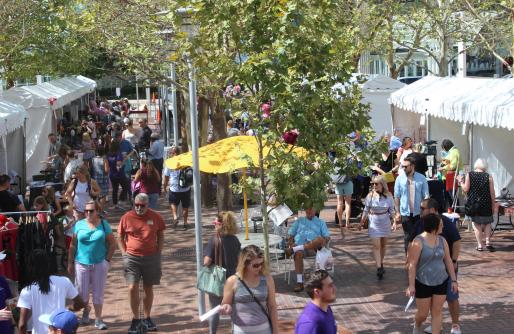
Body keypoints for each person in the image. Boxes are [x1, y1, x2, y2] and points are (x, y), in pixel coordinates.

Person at [409, 198, 462, 334]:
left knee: (437, 312)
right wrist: (411, 285)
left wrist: (454, 280)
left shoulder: (442, 240)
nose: (443, 226)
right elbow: (412, 264)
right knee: (423, 313)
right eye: (441, 225)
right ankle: (417, 323)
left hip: (441, 280)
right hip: (423, 281)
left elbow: (449, 260)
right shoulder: (418, 241)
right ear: (435, 227)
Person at [117, 193, 165, 333]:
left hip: (151, 257)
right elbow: (119, 236)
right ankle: (136, 319)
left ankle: (147, 318)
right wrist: (124, 253)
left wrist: (159, 251)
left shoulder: (155, 216)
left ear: (147, 205)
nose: (138, 208)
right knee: (132, 287)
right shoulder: (126, 217)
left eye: (142, 205)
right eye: (136, 205)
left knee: (148, 288)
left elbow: (161, 233)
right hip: (131, 258)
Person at [67, 201, 115, 330]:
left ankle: (98, 319)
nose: (88, 213)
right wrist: (70, 262)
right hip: (81, 263)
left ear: (97, 211)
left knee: (98, 293)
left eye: (91, 211)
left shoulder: (104, 225)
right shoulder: (79, 224)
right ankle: (86, 311)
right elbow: (73, 245)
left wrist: (107, 261)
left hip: (99, 263)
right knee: (82, 294)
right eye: (86, 210)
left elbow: (112, 244)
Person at [17, 249, 85, 334]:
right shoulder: (64, 281)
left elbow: (22, 325)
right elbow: (80, 304)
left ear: (30, 267)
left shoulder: (27, 290)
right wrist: (68, 309)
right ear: (48, 264)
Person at [220, 245, 278, 334]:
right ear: (245, 264)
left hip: (264, 330)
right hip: (240, 331)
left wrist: (275, 331)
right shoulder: (232, 281)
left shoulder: (267, 279)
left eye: (261, 264)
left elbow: (272, 306)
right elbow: (226, 304)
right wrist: (226, 307)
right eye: (255, 265)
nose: (259, 267)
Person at [203, 211, 241, 334]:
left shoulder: (214, 240)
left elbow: (207, 261)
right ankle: (236, 331)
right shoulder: (235, 240)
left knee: (215, 309)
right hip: (233, 280)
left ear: (221, 225)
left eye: (215, 223)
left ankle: (212, 332)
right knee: (233, 309)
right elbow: (239, 258)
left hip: (217, 280)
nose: (214, 226)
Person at [285, 207, 330, 292]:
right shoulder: (299, 221)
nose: (308, 211)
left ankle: (293, 250)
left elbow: (327, 236)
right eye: (307, 209)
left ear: (315, 210)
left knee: (320, 239)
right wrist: (291, 243)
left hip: (314, 249)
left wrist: (325, 241)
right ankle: (300, 283)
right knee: (298, 254)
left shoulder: (321, 222)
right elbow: (290, 235)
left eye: (311, 209)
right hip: (300, 247)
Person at [359, 175, 395, 279]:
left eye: (376, 184)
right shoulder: (370, 196)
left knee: (383, 245)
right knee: (376, 246)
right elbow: (366, 210)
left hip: (385, 222)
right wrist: (362, 222)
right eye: (373, 184)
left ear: (382, 185)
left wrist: (394, 222)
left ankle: (381, 262)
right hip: (374, 222)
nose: (374, 185)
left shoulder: (389, 196)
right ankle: (379, 267)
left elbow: (391, 210)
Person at [458, 158, 496, 251]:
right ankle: (488, 242)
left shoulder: (469, 175)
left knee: (476, 223)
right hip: (486, 203)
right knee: (487, 223)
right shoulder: (489, 176)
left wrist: (460, 181)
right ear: (485, 166)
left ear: (476, 165)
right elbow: (492, 193)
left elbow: (465, 189)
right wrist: (493, 204)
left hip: (474, 204)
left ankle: (480, 245)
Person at [394, 156, 429, 253]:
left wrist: (425, 210)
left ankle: (419, 258)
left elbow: (426, 195)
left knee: (420, 236)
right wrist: (397, 212)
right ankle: (409, 259)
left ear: (412, 166)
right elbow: (396, 196)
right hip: (405, 213)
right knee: (408, 236)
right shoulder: (399, 179)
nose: (404, 168)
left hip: (419, 213)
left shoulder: (421, 178)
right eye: (402, 166)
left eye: (406, 166)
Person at [294, 269, 337, 334]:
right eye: (330, 286)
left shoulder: (327, 308)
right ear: (317, 292)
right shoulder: (309, 323)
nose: (335, 288)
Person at [163, 146, 191, 230]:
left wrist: (164, 187)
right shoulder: (185, 161)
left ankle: (175, 216)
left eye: (171, 153)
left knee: (173, 203)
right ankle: (185, 222)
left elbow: (166, 177)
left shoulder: (170, 163)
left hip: (174, 188)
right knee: (185, 206)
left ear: (173, 153)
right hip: (185, 187)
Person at [107, 140, 131, 210]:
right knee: (126, 186)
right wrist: (125, 160)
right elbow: (119, 164)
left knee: (115, 189)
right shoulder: (118, 154)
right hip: (120, 174)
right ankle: (120, 200)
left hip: (112, 174)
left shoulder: (109, 154)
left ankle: (115, 204)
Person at [438, 139, 462, 208]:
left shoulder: (454, 152)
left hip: (452, 176)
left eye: (443, 148)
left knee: (452, 195)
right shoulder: (452, 152)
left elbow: (453, 166)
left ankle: (456, 210)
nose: (444, 150)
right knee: (450, 195)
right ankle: (452, 210)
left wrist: (443, 168)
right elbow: (449, 162)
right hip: (448, 176)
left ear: (446, 147)